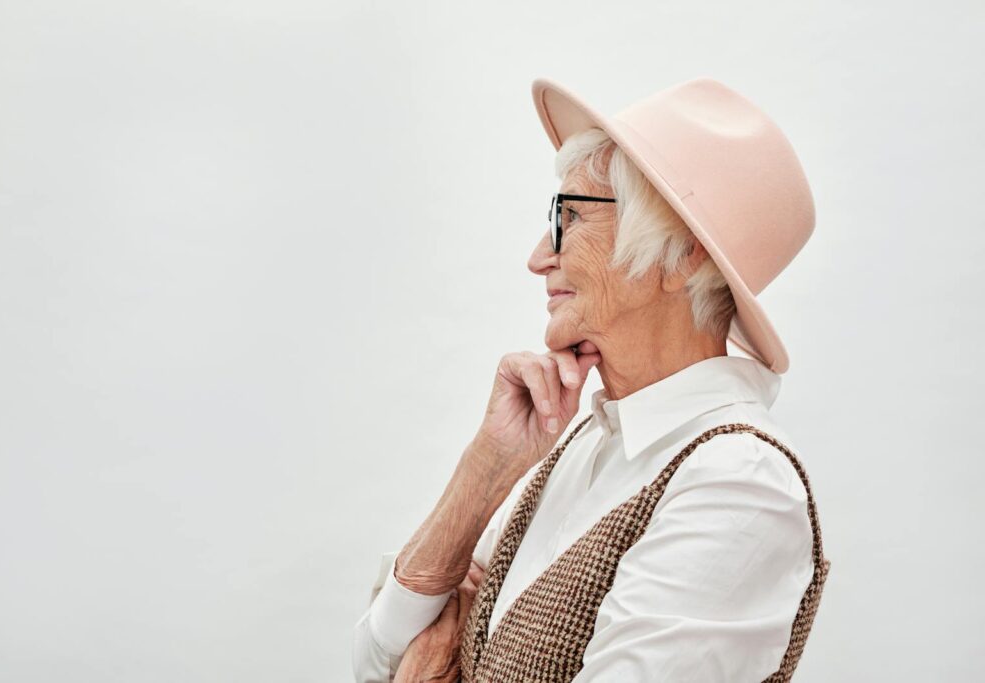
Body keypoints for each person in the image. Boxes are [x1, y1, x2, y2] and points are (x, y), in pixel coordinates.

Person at [352, 76, 830, 682]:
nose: (537, 257)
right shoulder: (583, 448)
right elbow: (376, 660)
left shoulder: (740, 483)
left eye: (569, 216)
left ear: (682, 254)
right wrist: (485, 473)